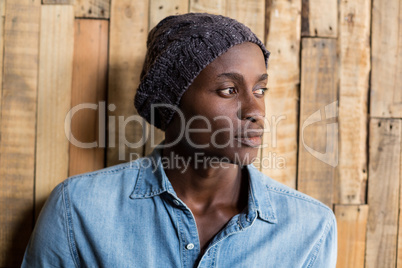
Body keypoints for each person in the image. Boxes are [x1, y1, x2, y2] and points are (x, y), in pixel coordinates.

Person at [22, 13, 337, 267]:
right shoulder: (78, 209)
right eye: (229, 90)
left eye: (260, 90)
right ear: (169, 103)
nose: (255, 111)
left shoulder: (310, 228)